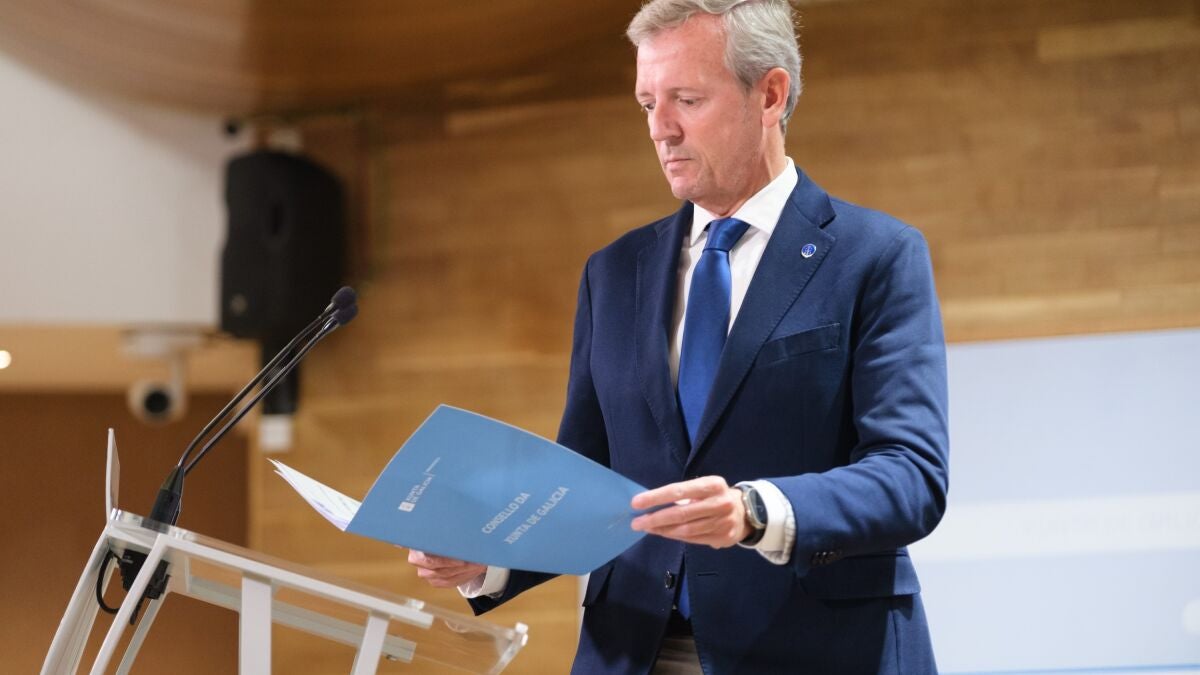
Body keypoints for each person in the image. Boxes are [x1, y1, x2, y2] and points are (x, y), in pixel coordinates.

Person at [408, 0, 949, 672]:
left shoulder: (876, 256)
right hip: (632, 648)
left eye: (686, 100)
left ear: (769, 95)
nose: (660, 129)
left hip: (816, 649)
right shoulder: (612, 273)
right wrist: (489, 555)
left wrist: (755, 511)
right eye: (647, 104)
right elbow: (585, 478)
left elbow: (910, 474)